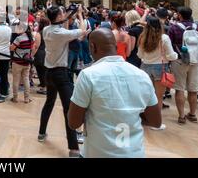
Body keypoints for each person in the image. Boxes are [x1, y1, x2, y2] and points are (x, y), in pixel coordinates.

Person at [68, 28, 161, 158]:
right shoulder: (142, 75)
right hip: (135, 153)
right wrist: (129, 115)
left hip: (98, 153)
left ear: (92, 47)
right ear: (116, 46)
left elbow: (74, 122)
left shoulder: (88, 75)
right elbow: (156, 121)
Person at [38, 5, 86, 158]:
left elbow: (61, 25)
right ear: (58, 17)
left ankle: (41, 132)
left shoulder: (47, 29)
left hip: (49, 73)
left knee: (49, 103)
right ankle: (74, 149)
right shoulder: (60, 33)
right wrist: (79, 15)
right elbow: (83, 32)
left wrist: (68, 15)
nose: (64, 14)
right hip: (61, 74)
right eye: (62, 13)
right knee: (68, 109)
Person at [137, 17, 178, 130]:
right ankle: (156, 123)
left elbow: (139, 55)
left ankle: (145, 118)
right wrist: (176, 56)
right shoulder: (164, 38)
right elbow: (170, 55)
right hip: (161, 67)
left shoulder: (142, 37)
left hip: (144, 67)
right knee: (158, 97)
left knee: (146, 95)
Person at [168, 6, 198, 124]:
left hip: (180, 60)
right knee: (193, 89)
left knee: (179, 89)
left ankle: (181, 116)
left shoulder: (174, 27)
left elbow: (170, 45)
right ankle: (192, 114)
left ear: (180, 15)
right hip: (195, 61)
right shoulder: (197, 27)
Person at [10, 21, 34, 103]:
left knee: (16, 80)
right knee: (26, 79)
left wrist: (9, 45)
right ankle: (27, 98)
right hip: (26, 62)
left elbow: (11, 48)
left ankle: (15, 98)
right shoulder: (31, 38)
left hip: (17, 61)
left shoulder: (19, 38)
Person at [32, 17, 50, 95]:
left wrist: (32, 55)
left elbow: (36, 46)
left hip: (40, 54)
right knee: (45, 71)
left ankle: (44, 87)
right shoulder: (49, 32)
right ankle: (45, 86)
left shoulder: (40, 33)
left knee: (41, 71)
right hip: (48, 53)